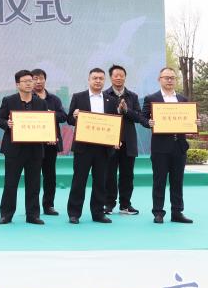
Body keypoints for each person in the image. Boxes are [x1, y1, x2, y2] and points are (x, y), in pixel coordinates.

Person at [0, 70, 49, 225]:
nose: (29, 83)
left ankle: (33, 215)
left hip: (35, 149)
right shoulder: (9, 100)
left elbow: (45, 123)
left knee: (34, 184)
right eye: (25, 81)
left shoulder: (41, 103)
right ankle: (6, 214)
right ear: (17, 84)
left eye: (31, 80)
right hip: (14, 149)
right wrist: (7, 123)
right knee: (10, 183)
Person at [141, 67, 194, 224]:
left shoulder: (183, 99)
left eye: (172, 77)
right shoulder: (151, 98)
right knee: (159, 181)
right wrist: (148, 122)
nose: (169, 80)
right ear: (160, 79)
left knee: (177, 181)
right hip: (160, 147)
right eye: (166, 77)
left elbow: (189, 119)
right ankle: (158, 212)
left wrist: (194, 122)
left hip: (179, 146)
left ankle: (177, 212)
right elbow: (143, 118)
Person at [65, 68, 117, 224]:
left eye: (101, 78)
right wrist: (74, 116)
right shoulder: (78, 97)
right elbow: (69, 120)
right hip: (83, 147)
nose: (98, 81)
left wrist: (115, 139)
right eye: (95, 78)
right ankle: (74, 213)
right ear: (89, 80)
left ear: (104, 80)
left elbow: (115, 122)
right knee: (79, 181)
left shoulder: (110, 100)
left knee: (100, 182)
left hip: (103, 147)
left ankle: (98, 213)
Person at [104, 64, 142, 216]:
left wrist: (126, 110)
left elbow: (139, 117)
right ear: (111, 78)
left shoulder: (132, 96)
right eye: (116, 75)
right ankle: (108, 204)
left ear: (125, 77)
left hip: (128, 141)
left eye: (121, 75)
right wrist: (116, 110)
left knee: (127, 174)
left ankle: (125, 205)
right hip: (109, 141)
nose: (119, 78)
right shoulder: (104, 95)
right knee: (109, 174)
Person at [31, 68, 68, 216]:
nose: (38, 81)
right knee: (33, 176)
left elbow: (63, 116)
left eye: (41, 78)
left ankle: (48, 205)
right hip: (33, 143)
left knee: (50, 176)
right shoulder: (27, 98)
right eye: (35, 78)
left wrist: (49, 115)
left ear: (45, 80)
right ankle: (33, 207)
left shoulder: (54, 99)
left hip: (50, 143)